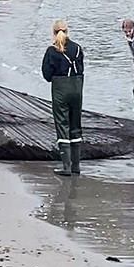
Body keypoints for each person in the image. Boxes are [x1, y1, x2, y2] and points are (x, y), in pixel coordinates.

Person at [41, 20, 84, 176]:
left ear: (54, 32)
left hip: (60, 89)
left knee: (62, 124)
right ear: (67, 31)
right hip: (77, 89)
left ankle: (66, 167)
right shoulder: (78, 48)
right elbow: (81, 70)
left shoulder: (51, 51)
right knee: (75, 124)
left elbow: (46, 75)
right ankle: (76, 166)